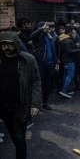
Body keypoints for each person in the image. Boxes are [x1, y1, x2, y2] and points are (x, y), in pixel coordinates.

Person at [0, 31, 41, 159]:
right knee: (13, 135)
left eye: (9, 44)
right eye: (3, 44)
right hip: (3, 107)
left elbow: (36, 82)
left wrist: (35, 104)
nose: (6, 47)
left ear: (16, 44)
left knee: (19, 138)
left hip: (21, 105)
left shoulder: (28, 59)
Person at [30, 22, 60, 110]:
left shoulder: (49, 37)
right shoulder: (38, 37)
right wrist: (42, 29)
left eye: (48, 27)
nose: (47, 28)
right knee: (40, 84)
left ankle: (45, 103)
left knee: (48, 85)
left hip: (49, 64)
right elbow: (32, 36)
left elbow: (53, 50)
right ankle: (36, 104)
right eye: (46, 27)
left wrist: (56, 63)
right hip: (40, 64)